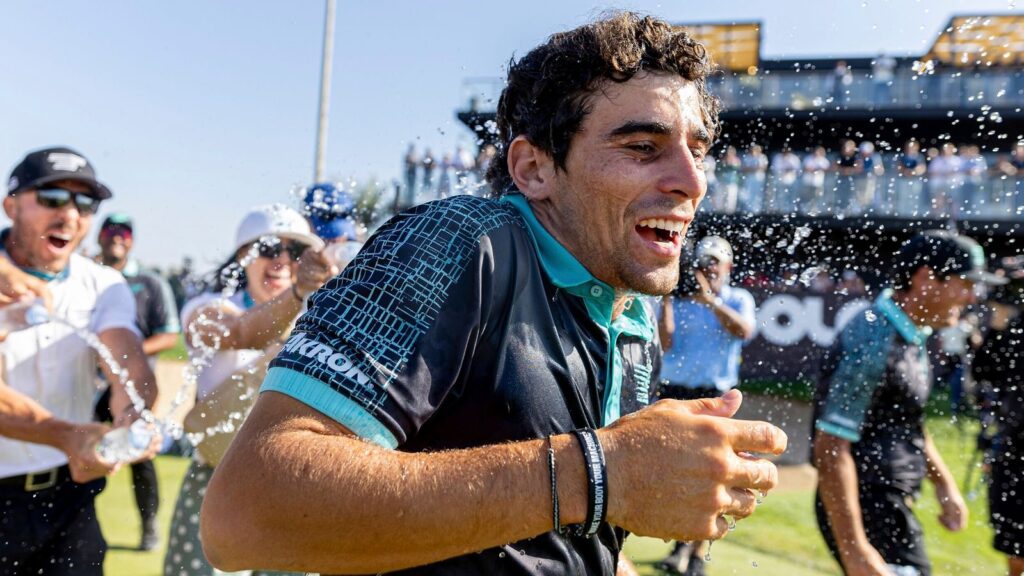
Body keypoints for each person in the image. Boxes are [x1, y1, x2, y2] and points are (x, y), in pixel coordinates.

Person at [202, 12, 787, 575]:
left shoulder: (628, 315)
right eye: (642, 147)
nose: (691, 180)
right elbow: (247, 510)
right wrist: (604, 471)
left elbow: (553, 538)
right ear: (533, 168)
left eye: (700, 149)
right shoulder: (456, 243)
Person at [0, 146, 159, 575]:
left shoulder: (103, 283)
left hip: (69, 498)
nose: (71, 214)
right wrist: (66, 436)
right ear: (10, 205)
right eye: (52, 197)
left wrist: (134, 416)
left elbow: (125, 355)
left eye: (85, 203)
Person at [812, 230, 1006, 576]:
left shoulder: (910, 334)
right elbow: (830, 447)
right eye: (964, 282)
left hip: (888, 503)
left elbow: (907, 422)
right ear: (925, 277)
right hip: (871, 505)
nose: (972, 296)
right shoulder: (874, 338)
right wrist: (855, 549)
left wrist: (943, 483)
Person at [163, 204, 332, 576]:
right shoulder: (207, 308)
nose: (283, 261)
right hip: (215, 483)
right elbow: (242, 332)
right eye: (270, 248)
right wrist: (300, 293)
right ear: (244, 256)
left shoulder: (321, 317)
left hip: (289, 491)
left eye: (297, 252)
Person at [655, 235, 756, 576]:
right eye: (705, 263)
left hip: (716, 396)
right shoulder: (679, 300)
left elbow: (743, 331)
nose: (710, 269)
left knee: (712, 474)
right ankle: (679, 545)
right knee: (674, 473)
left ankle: (695, 554)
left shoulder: (737, 298)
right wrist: (668, 296)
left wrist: (710, 300)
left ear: (728, 267)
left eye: (716, 263)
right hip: (675, 391)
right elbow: (664, 342)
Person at [94, 212, 181, 551]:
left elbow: (169, 335)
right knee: (80, 448)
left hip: (130, 385)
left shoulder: (150, 283)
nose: (118, 237)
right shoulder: (86, 276)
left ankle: (149, 527)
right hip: (89, 386)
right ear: (100, 235)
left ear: (132, 241)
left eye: (125, 233)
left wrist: (120, 352)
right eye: (111, 230)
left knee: (140, 457)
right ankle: (72, 520)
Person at [971, 258, 1024, 576]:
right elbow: (983, 371)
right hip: (1014, 445)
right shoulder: (1013, 326)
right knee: (1014, 539)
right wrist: (998, 320)